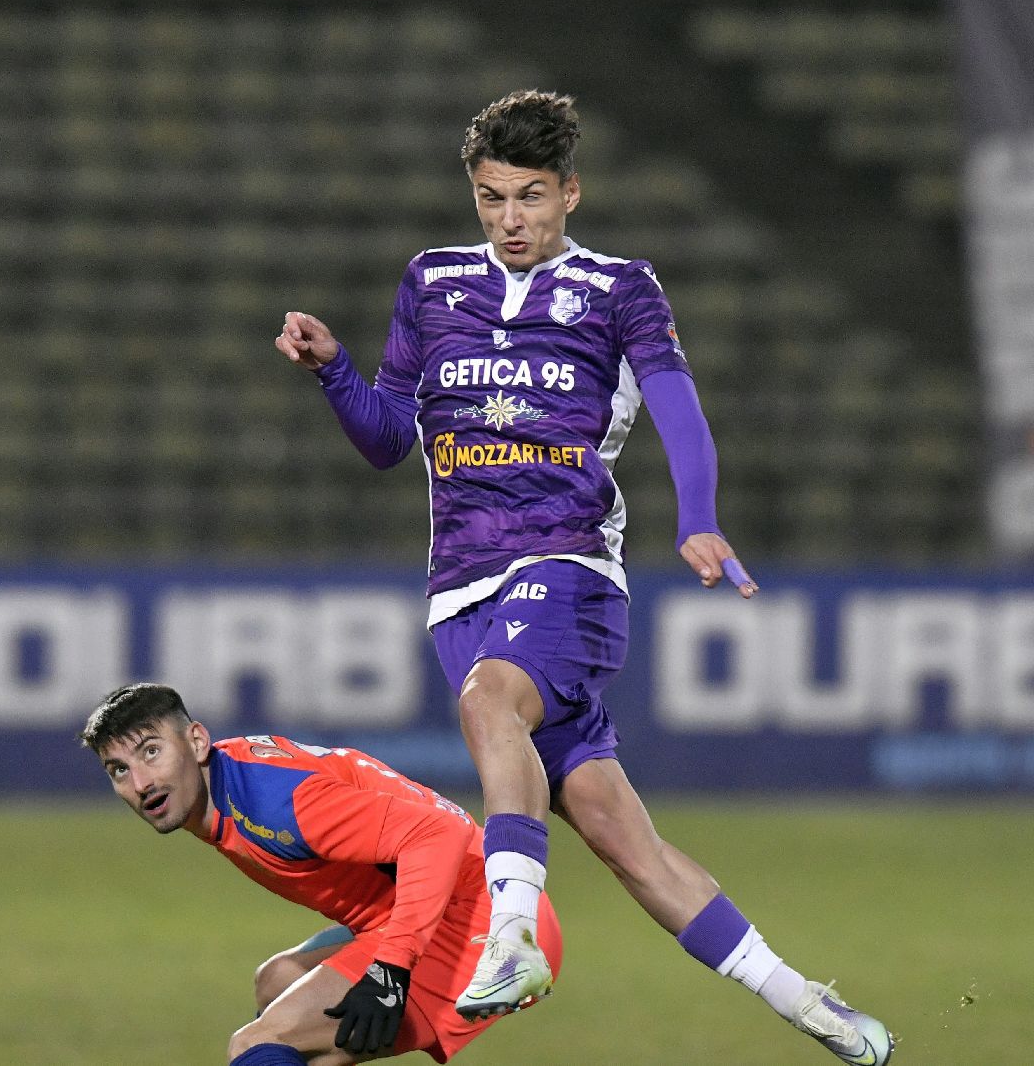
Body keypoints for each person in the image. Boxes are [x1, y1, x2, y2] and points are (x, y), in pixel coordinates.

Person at [274, 89, 894, 1063]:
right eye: (490, 198)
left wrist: (698, 516)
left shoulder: (619, 288)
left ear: (570, 192)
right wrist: (335, 371)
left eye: (529, 197)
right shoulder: (431, 283)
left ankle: (511, 935)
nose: (510, 220)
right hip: (459, 590)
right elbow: (393, 438)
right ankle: (811, 1004)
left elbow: (679, 404)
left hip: (567, 564)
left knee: (490, 703)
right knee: (619, 833)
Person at [80, 682, 563, 1066]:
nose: (141, 783)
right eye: (118, 770)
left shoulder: (273, 803)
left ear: (197, 741)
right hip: (442, 904)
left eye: (150, 752)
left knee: (256, 1045)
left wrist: (391, 969)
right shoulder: (232, 778)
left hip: (478, 923)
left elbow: (435, 834)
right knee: (277, 984)